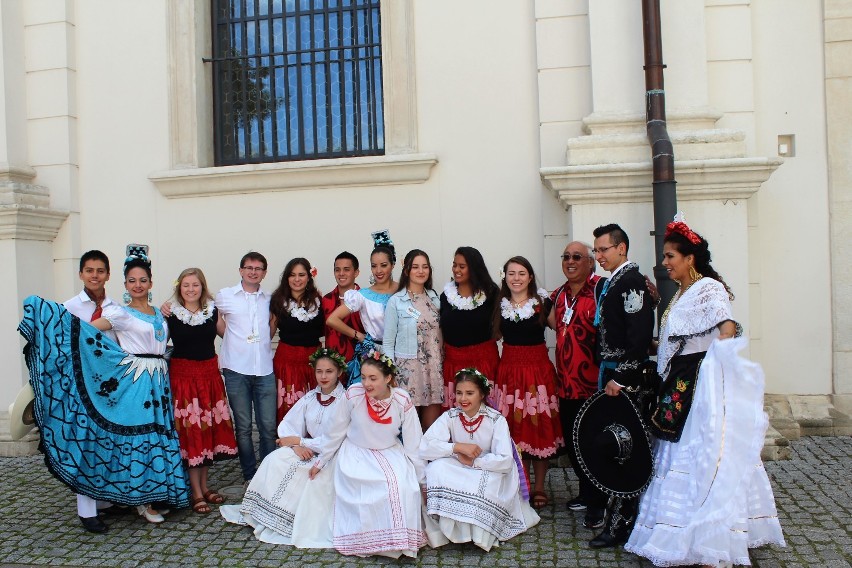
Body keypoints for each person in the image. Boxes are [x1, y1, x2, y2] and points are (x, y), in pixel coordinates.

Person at [625, 217, 785, 566]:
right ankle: (679, 531)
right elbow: (680, 339)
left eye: (670, 256)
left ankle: (706, 537)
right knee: (676, 451)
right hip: (680, 378)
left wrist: (715, 361)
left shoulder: (709, 288)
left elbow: (726, 325)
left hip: (698, 385)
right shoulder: (682, 292)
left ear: (689, 258)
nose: (665, 263)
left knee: (701, 451)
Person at [64, 251, 188, 523]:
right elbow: (88, 331)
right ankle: (142, 502)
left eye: (143, 280)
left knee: (159, 434)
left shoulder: (159, 313)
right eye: (132, 281)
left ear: (151, 283)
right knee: (140, 437)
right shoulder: (119, 312)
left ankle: (156, 494)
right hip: (138, 381)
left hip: (160, 380)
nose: (138, 285)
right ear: (125, 284)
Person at [308, 351, 437, 558]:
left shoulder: (401, 399)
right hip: (356, 453)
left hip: (390, 452)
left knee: (403, 486)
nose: (366, 383)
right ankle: (368, 540)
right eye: (364, 377)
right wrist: (322, 460)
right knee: (365, 491)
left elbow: (414, 443)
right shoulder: (354, 394)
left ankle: (397, 540)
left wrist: (422, 480)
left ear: (388, 379)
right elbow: (335, 431)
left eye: (373, 378)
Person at [220, 347, 347, 547]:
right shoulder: (310, 398)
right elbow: (287, 426)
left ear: (339, 372)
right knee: (274, 459)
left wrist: (300, 442)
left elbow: (336, 439)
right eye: (319, 371)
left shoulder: (345, 401)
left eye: (329, 371)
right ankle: (264, 513)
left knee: (307, 475)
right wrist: (296, 446)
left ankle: (289, 518)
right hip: (309, 450)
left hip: (332, 455)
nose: (323, 376)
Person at [420, 368, 540, 551]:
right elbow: (425, 446)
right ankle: (449, 529)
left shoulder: (495, 420)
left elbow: (505, 461)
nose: (463, 399)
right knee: (436, 468)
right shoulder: (450, 416)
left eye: (470, 393)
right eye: (459, 393)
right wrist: (456, 447)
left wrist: (476, 462)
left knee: (483, 483)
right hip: (460, 462)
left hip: (489, 467)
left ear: (482, 394)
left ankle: (478, 533)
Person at [587, 223, 655, 548]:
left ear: (621, 248)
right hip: (609, 374)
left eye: (604, 249)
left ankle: (623, 523)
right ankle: (618, 518)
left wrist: (621, 378)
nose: (598, 255)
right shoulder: (613, 282)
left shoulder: (631, 283)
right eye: (596, 250)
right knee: (614, 444)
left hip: (623, 381)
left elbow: (638, 339)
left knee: (624, 447)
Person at [492, 256, 564, 510]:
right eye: (511, 273)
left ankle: (540, 486)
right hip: (510, 373)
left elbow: (563, 330)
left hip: (537, 373)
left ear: (530, 277)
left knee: (538, 428)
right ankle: (520, 483)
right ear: (505, 277)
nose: (516, 278)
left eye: (522, 273)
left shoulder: (542, 303)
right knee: (515, 431)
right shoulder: (498, 305)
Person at [166, 267, 238, 514]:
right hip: (184, 379)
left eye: (195, 285)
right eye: (186, 285)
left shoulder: (212, 310)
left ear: (202, 287)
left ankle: (204, 486)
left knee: (207, 433)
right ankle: (195, 492)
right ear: (179, 287)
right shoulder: (170, 313)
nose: (190, 289)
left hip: (208, 378)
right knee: (192, 434)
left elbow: (230, 335)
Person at [62, 250, 119, 533]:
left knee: (105, 442)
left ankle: (103, 498)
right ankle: (86, 510)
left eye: (100, 270)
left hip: (108, 386)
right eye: (89, 270)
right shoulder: (70, 307)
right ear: (81, 274)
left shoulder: (116, 307)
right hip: (81, 383)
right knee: (85, 442)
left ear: (108, 275)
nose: (94, 275)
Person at [546, 242, 602, 526]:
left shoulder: (602, 290)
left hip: (594, 385)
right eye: (566, 256)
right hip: (566, 385)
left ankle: (598, 503)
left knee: (592, 445)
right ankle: (584, 492)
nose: (570, 261)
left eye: (576, 257)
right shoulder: (558, 295)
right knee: (573, 442)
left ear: (590, 262)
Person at [214, 252, 277, 483]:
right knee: (243, 427)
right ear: (241, 270)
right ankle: (250, 474)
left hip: (264, 370)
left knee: (268, 426)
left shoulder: (270, 298)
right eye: (249, 267)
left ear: (264, 273)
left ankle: (268, 474)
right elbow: (205, 313)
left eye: (258, 268)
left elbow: (271, 327)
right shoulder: (225, 296)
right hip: (236, 370)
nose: (253, 272)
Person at [326, 230, 398, 383]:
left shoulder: (403, 291)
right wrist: (360, 336)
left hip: (402, 353)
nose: (378, 271)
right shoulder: (362, 295)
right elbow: (332, 319)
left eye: (383, 265)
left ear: (392, 265)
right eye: (374, 266)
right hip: (375, 355)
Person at [383, 249, 443, 430]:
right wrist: (390, 372)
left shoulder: (435, 298)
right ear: (407, 270)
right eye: (415, 267)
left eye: (425, 267)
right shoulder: (396, 301)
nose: (421, 271)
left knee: (430, 426)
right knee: (410, 426)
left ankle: (429, 458)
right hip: (408, 370)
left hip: (433, 367)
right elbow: (388, 343)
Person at [439, 246, 500, 409]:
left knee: (485, 412)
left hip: (484, 361)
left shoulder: (491, 293)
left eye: (462, 266)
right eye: (454, 265)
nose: (456, 270)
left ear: (473, 268)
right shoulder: (446, 296)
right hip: (453, 363)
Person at [269, 257, 324, 422]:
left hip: (313, 361)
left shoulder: (318, 301)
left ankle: (311, 443)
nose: (297, 279)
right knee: (289, 404)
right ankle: (288, 441)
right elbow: (270, 330)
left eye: (301, 274)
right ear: (287, 277)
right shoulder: (278, 300)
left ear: (309, 277)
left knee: (314, 405)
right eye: (293, 275)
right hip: (287, 361)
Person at [321, 251, 364, 383]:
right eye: (337, 270)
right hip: (332, 367)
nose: (341, 274)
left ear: (356, 272)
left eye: (346, 269)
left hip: (359, 365)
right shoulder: (326, 300)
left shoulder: (365, 299)